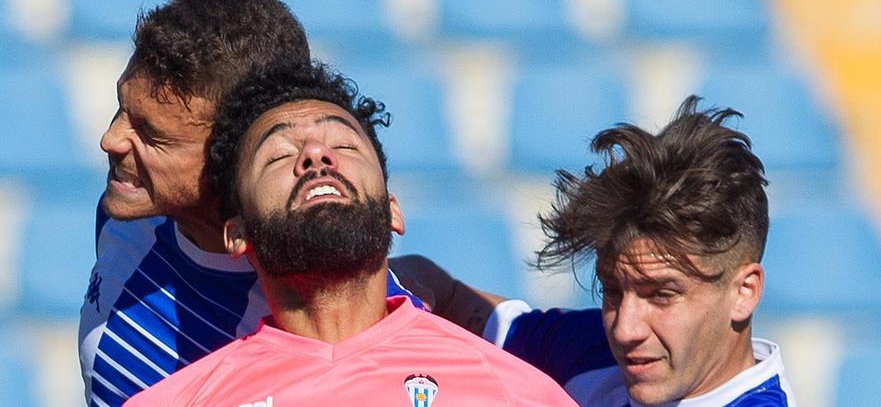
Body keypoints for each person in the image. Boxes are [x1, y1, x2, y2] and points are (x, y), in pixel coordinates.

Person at [126, 62, 576, 406]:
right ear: (238, 235)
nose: (317, 155)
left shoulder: (513, 391)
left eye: (343, 145)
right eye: (279, 155)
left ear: (392, 211)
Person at [78, 0, 420, 406]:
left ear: (230, 155)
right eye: (121, 109)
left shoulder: (337, 322)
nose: (111, 140)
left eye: (151, 134)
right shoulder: (131, 207)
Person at [406, 97, 796, 406]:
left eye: (662, 295)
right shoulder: (593, 348)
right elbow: (449, 297)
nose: (625, 330)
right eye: (612, 290)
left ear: (744, 292)